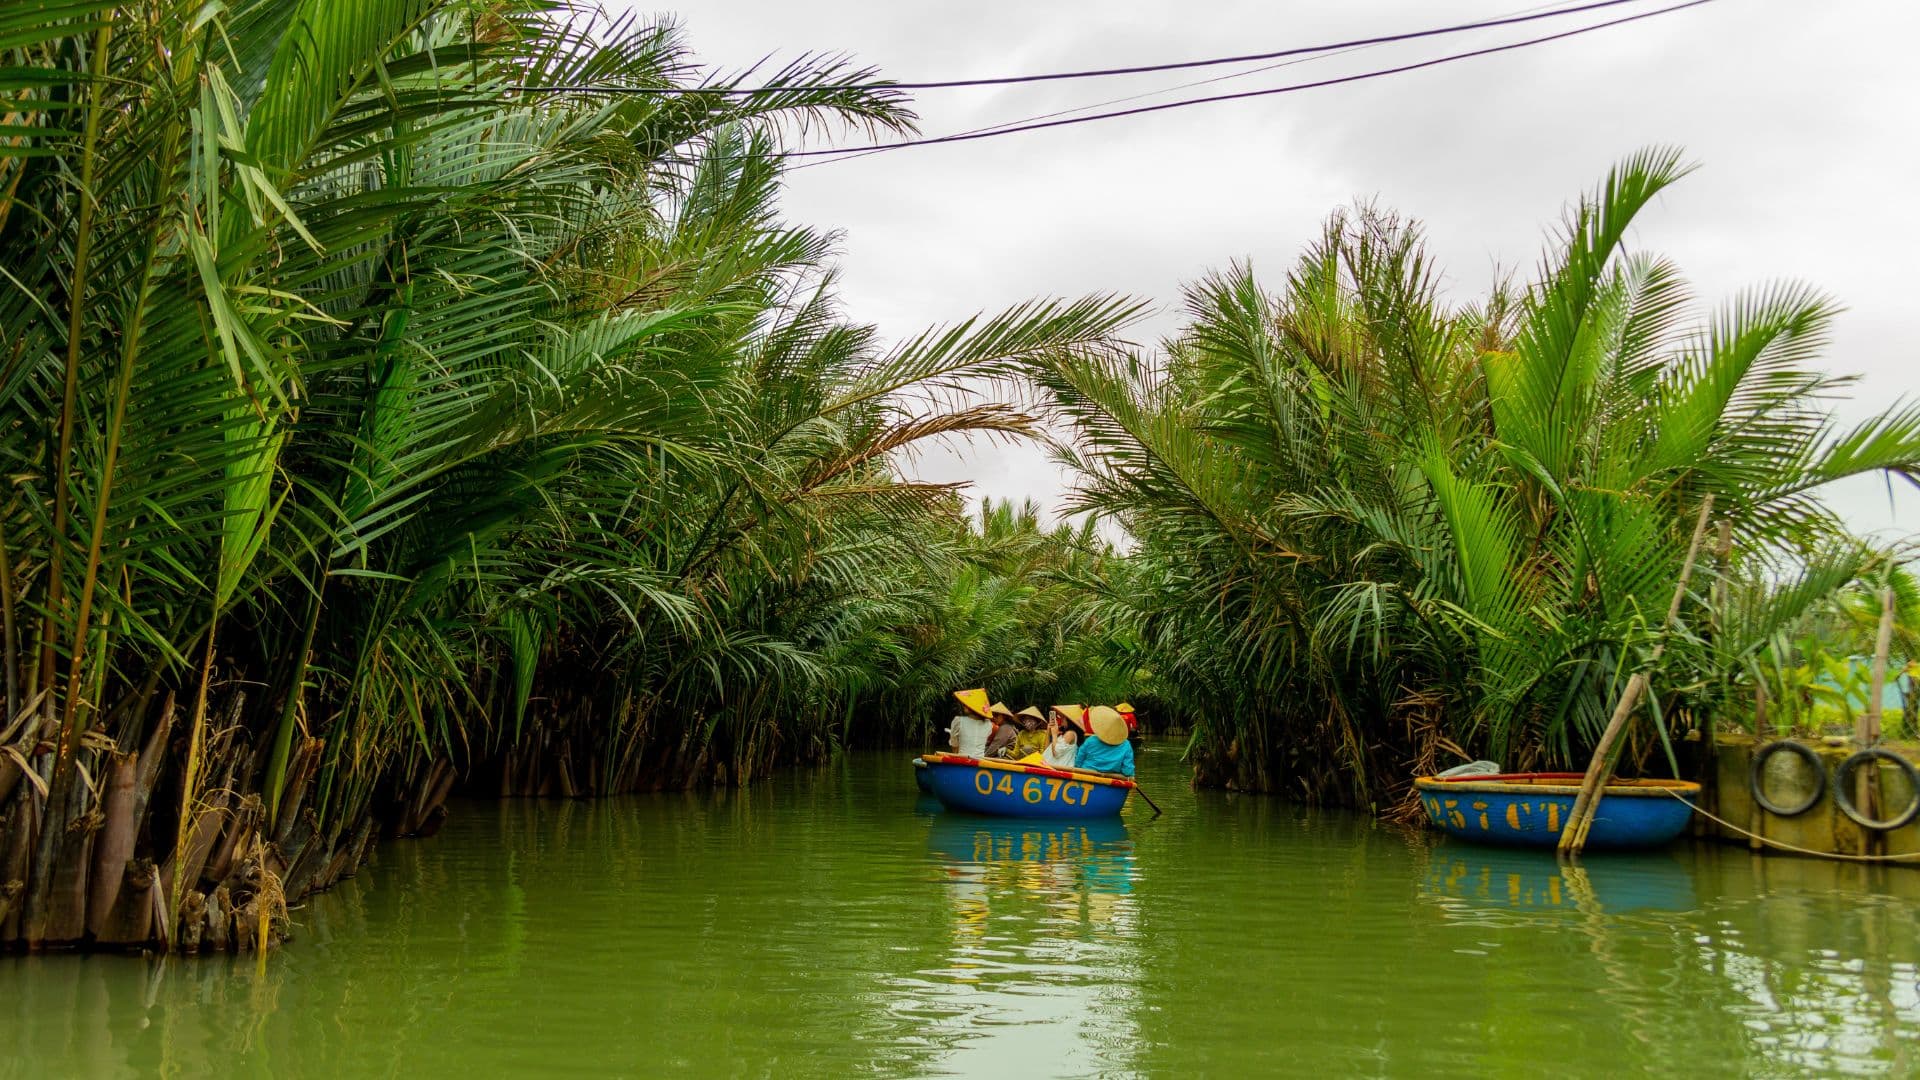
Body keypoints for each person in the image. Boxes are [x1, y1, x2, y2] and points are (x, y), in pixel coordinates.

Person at [1075, 705, 1135, 777]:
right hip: (1113, 778)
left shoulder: (1091, 740)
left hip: (1087, 775)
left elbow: (1078, 762)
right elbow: (1128, 771)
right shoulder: (1126, 744)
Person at [947, 688, 994, 758]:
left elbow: (954, 746)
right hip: (980, 763)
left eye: (966, 704)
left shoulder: (959, 721)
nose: (964, 705)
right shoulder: (988, 724)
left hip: (963, 761)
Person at [1041, 705, 1083, 770]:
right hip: (1048, 767)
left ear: (1069, 720)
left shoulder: (1070, 733)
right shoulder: (1063, 734)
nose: (1061, 720)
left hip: (1057, 770)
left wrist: (1054, 734)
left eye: (1063, 718)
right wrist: (1048, 731)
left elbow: (1056, 753)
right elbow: (1046, 751)